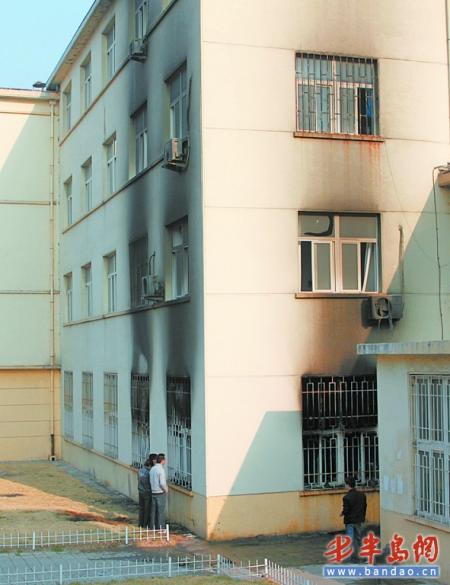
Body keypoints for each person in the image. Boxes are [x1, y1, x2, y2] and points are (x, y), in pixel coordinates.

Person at [341, 476, 367, 560]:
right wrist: (362, 516)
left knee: (350, 539)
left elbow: (346, 510)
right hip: (359, 519)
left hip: (350, 521)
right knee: (360, 538)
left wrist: (342, 513)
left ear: (348, 485)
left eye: (345, 484)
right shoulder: (362, 495)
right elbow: (364, 507)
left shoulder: (346, 497)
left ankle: (351, 557)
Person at [149, 453, 168, 530]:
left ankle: (153, 527)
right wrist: (166, 490)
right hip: (160, 492)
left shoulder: (152, 469)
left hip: (153, 492)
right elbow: (162, 483)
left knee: (153, 511)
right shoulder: (161, 470)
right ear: (162, 461)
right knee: (160, 512)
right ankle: (161, 528)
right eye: (164, 460)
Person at [137, 456, 152, 528]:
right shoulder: (149, 472)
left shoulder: (140, 470)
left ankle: (140, 523)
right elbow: (150, 482)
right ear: (149, 465)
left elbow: (138, 479)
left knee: (141, 508)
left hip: (140, 490)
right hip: (147, 492)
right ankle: (145, 524)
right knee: (147, 509)